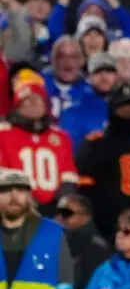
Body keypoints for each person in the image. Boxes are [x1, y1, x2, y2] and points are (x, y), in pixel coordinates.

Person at [73, 83, 130, 243]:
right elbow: (85, 190)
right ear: (112, 109)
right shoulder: (95, 144)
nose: (128, 111)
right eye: (122, 106)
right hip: (105, 233)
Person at [0, 71, 78, 216]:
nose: (33, 103)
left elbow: (69, 174)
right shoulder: (3, 134)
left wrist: (62, 202)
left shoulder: (61, 136)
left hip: (54, 210)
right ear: (17, 106)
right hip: (15, 209)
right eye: (27, 100)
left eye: (37, 98)